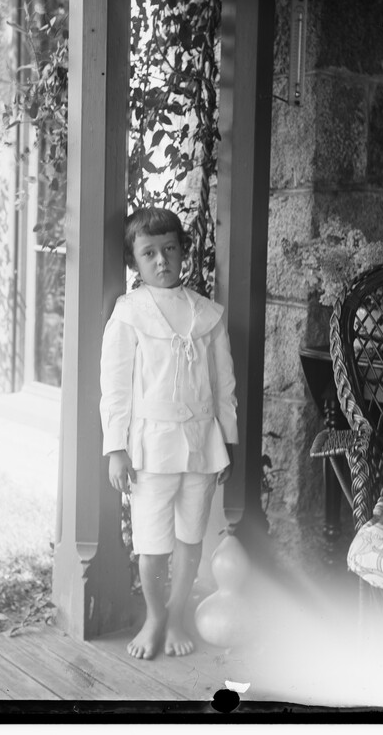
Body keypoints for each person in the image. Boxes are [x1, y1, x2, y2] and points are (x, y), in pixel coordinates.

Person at [100, 207, 238, 660]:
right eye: (149, 253)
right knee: (152, 543)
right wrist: (116, 448)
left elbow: (223, 385)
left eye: (170, 249)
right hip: (151, 447)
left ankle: (178, 615)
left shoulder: (206, 315)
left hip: (201, 444)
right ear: (134, 261)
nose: (162, 260)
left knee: (189, 537)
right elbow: (115, 388)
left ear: (183, 251)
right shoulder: (130, 314)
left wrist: (227, 442)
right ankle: (155, 617)